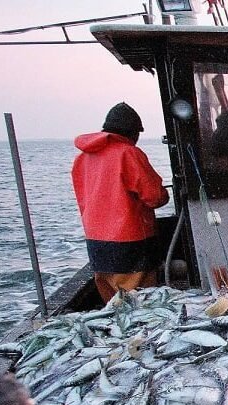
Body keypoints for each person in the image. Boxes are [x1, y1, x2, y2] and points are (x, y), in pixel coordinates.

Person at [71, 102, 169, 303]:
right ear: (133, 132)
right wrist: (164, 194)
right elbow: (155, 197)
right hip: (131, 245)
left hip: (97, 246)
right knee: (142, 306)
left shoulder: (82, 158)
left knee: (115, 308)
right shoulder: (128, 153)